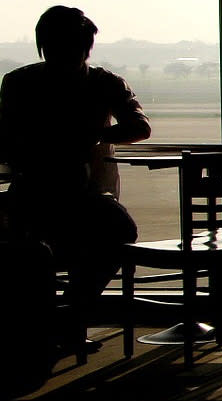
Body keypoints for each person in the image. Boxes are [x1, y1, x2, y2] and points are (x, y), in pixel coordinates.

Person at [0, 5, 149, 359]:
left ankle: (51, 323)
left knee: (33, 248)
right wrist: (95, 135)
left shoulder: (19, 82)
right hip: (83, 196)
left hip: (37, 194)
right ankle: (70, 318)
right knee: (116, 235)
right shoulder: (104, 82)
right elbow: (139, 126)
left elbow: (6, 138)